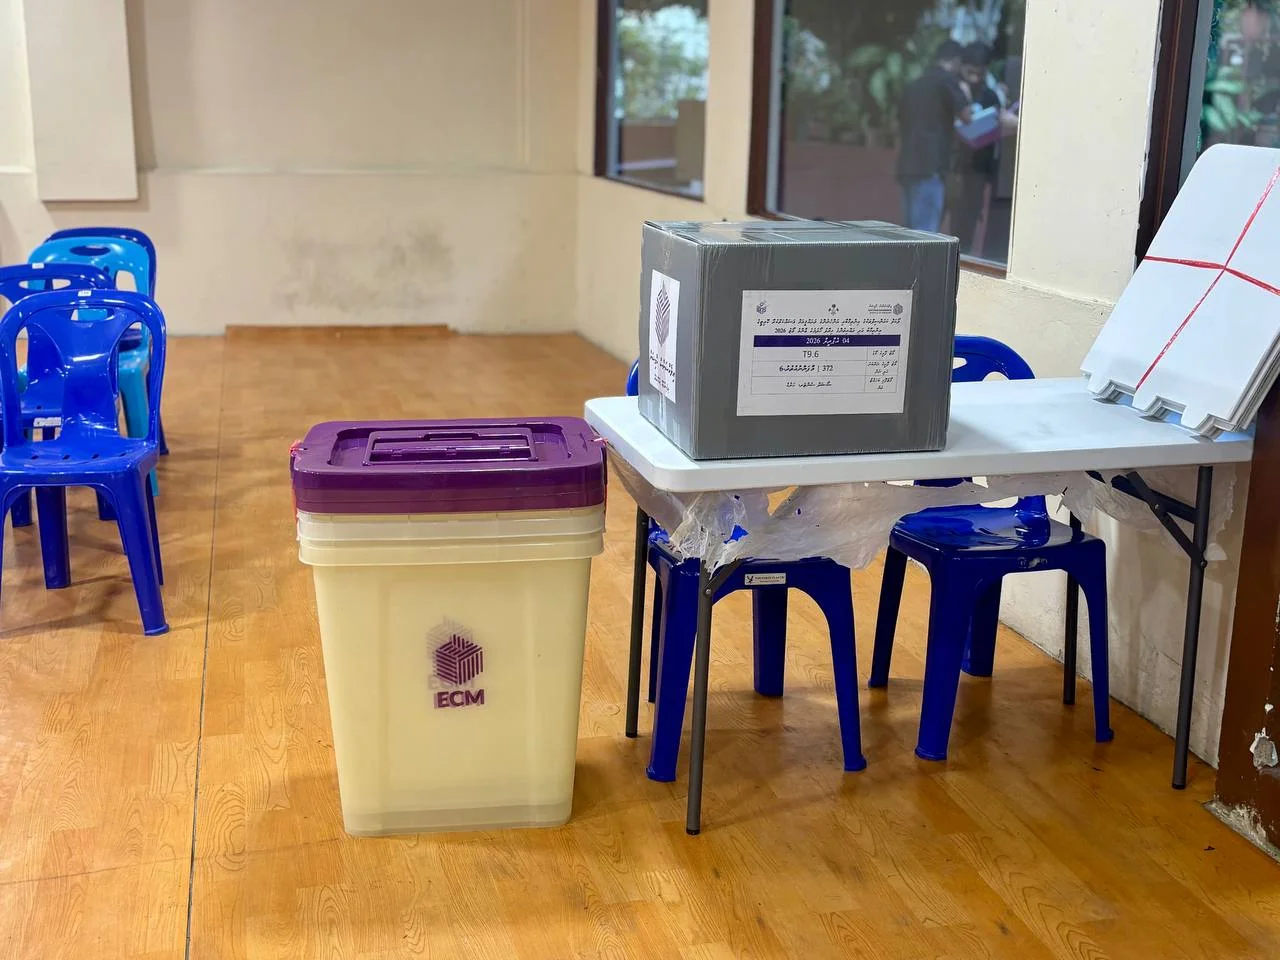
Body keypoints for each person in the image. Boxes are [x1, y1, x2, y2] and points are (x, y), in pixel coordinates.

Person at [897, 40, 971, 233]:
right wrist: (966, 92)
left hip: (907, 164)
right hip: (931, 165)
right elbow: (967, 116)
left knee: (908, 232)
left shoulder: (914, 84)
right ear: (956, 61)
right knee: (925, 234)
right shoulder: (947, 81)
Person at [951, 43, 1002, 255]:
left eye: (980, 74)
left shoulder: (990, 96)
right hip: (952, 166)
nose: (975, 78)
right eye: (970, 72)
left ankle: (962, 258)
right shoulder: (952, 90)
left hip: (978, 167)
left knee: (969, 217)